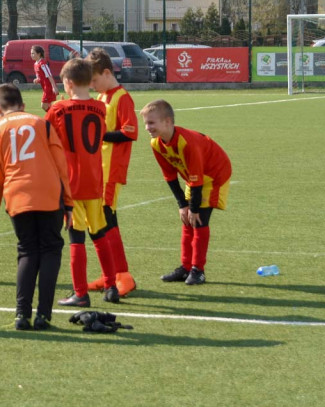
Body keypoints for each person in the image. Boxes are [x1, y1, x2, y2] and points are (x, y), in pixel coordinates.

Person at [0, 84, 73, 330]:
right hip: (49, 193)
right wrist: (68, 203)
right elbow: (61, 166)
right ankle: (43, 315)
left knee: (27, 251)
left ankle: (21, 315)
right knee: (51, 249)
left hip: (17, 195)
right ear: (23, 106)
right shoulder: (42, 124)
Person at [47, 58, 119, 307]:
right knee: (100, 234)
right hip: (95, 181)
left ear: (67, 83)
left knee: (76, 238)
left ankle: (80, 293)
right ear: (89, 81)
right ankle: (111, 285)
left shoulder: (58, 108)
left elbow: (47, 138)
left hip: (71, 184)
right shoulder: (101, 108)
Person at [141, 99, 232, 286]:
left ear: (167, 121)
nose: (147, 128)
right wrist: (182, 205)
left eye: (151, 123)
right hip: (194, 177)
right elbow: (170, 176)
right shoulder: (156, 143)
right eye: (146, 123)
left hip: (213, 175)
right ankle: (186, 267)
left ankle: (198, 270)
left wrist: (194, 208)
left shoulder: (188, 143)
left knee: (198, 219)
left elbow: (197, 179)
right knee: (187, 220)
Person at [86, 48, 137, 297]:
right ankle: (110, 273)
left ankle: (123, 275)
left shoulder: (121, 97)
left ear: (107, 73)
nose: (92, 85)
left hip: (111, 170)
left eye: (94, 80)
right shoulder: (102, 96)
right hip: (98, 169)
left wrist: (100, 136)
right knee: (101, 220)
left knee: (107, 219)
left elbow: (129, 132)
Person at [31, 45, 58, 112]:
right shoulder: (35, 64)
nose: (31, 55)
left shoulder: (43, 64)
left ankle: (54, 116)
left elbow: (49, 76)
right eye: (31, 53)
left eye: (33, 53)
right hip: (45, 87)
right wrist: (37, 80)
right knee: (48, 105)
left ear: (39, 54)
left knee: (43, 105)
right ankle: (55, 116)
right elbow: (40, 77)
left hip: (49, 87)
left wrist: (54, 87)